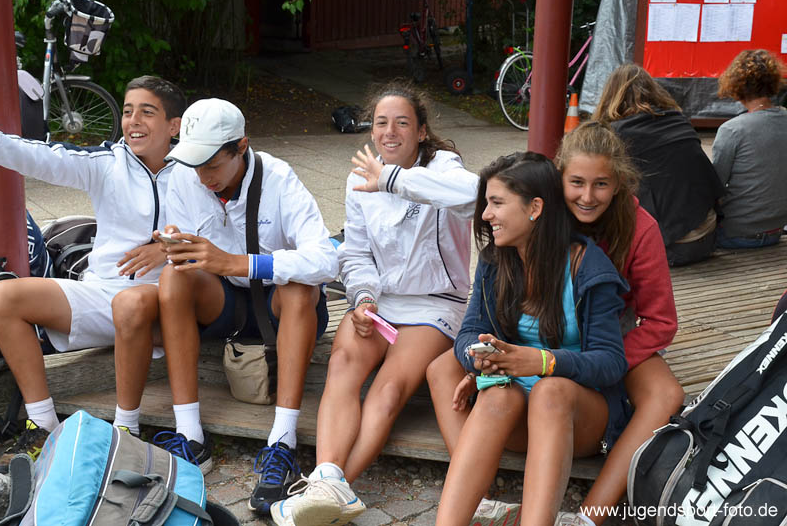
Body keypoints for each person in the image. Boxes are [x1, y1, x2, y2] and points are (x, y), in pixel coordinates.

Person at [269, 81, 479, 526]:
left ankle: (332, 490)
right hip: (380, 301)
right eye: (381, 122)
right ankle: (327, 478)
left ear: (421, 131)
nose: (390, 132)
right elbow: (357, 252)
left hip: (436, 302)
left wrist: (390, 179)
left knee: (389, 387)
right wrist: (362, 297)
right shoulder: (358, 178)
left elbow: (473, 195)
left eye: (402, 123)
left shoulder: (443, 165)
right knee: (343, 361)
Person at [110, 98, 338, 507]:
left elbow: (326, 259)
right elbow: (185, 242)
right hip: (225, 304)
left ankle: (283, 442)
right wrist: (175, 243)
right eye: (195, 165)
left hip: (283, 308)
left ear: (242, 147)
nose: (202, 177)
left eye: (212, 165)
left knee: (300, 286)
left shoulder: (279, 178)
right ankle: (191, 435)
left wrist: (240, 262)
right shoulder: (186, 176)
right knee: (174, 276)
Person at [426, 151, 629, 526]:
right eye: (487, 203)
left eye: (497, 203)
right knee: (495, 393)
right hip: (517, 411)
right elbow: (468, 331)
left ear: (535, 208)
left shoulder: (587, 267)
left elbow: (611, 362)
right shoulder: (496, 261)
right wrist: (480, 358)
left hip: (578, 419)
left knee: (551, 391)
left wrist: (545, 362)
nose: (486, 215)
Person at [0, 75, 184, 457]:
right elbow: (37, 156)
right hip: (104, 294)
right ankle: (42, 423)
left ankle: (126, 429)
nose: (133, 121)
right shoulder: (106, 164)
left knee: (134, 303)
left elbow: (221, 231)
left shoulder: (195, 169)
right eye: (128, 112)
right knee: (1, 297)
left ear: (173, 126)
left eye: (147, 112)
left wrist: (169, 249)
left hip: (167, 303)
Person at [553, 122, 683, 526]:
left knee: (666, 394)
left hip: (614, 334)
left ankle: (589, 516)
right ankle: (481, 497)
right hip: (551, 328)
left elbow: (661, 321)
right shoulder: (543, 213)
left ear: (619, 183)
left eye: (601, 185)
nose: (587, 197)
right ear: (560, 177)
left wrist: (606, 361)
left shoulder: (641, 227)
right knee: (445, 367)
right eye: (577, 183)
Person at [593, 64, 724, 266]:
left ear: (610, 96)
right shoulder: (680, 121)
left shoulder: (616, 135)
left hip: (668, 248)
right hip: (707, 237)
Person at [712, 49, 787, 249]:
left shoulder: (732, 130)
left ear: (735, 84)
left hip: (735, 233)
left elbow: (715, 185)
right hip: (776, 230)